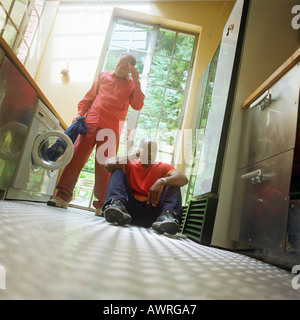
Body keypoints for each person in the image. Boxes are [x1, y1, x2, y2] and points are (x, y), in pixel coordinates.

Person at [47, 52, 145, 214]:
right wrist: (80, 113)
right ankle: (62, 198)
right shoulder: (103, 76)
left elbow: (138, 105)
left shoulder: (132, 84)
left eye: (123, 67)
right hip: (90, 123)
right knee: (75, 159)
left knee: (105, 168)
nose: (119, 69)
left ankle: (101, 205)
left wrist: (136, 80)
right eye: (118, 65)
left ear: (130, 69)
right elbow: (88, 98)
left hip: (111, 129)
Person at [102, 138, 188, 235]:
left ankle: (168, 217)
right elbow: (108, 165)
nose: (151, 153)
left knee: (173, 181)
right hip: (127, 210)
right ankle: (116, 206)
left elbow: (183, 179)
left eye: (154, 150)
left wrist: (162, 180)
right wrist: (135, 155)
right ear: (139, 150)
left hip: (152, 212)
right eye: (147, 149)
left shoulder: (163, 167)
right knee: (117, 170)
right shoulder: (130, 164)